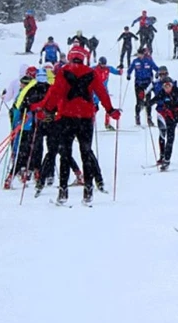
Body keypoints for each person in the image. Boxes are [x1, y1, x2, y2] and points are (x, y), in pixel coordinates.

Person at [32, 46, 121, 205]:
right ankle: (88, 191)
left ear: (71, 56)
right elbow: (102, 93)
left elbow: (55, 93)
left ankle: (63, 192)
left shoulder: (63, 71)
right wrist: (111, 110)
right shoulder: (91, 73)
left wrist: (46, 110)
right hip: (86, 118)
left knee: (65, 154)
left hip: (66, 118)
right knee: (86, 153)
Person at [5, 68, 51, 190]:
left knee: (24, 151)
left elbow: (22, 105)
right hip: (43, 124)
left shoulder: (31, 89)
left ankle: (12, 175)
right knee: (38, 149)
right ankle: (36, 173)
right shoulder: (49, 89)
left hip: (31, 125)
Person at [126, 48, 159, 126]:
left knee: (148, 101)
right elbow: (129, 69)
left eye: (141, 54)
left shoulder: (148, 61)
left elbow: (156, 68)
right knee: (139, 101)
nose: (140, 55)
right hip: (138, 83)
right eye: (138, 54)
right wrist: (128, 75)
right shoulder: (135, 61)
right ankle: (137, 117)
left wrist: (157, 73)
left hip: (147, 83)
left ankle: (149, 118)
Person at [94, 57, 122, 131]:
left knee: (108, 108)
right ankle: (90, 123)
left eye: (104, 64)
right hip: (95, 92)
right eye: (102, 64)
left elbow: (116, 72)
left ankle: (107, 124)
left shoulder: (108, 68)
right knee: (94, 108)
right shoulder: (94, 69)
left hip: (104, 92)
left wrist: (120, 71)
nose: (103, 66)